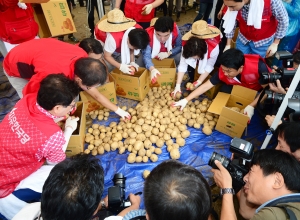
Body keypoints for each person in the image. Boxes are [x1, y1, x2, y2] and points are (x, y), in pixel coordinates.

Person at [0, 74, 80, 219]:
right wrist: (68, 130)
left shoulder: (27, 100)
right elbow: (55, 162)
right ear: (56, 108)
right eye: (71, 106)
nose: (72, 108)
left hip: (4, 154)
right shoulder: (52, 135)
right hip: (5, 180)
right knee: (60, 172)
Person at [3, 38, 130, 119]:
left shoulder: (82, 57)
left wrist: (118, 110)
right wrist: (57, 116)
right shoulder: (50, 77)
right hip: (15, 64)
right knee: (38, 107)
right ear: (79, 80)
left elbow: (95, 95)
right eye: (89, 86)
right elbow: (30, 96)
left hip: (38, 53)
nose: (91, 89)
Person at [12, 153, 141, 220]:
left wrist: (100, 204)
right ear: (93, 214)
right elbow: (119, 218)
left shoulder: (28, 212)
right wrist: (134, 206)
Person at [173, 48, 271, 120]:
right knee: (223, 90)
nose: (225, 73)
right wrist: (186, 100)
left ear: (240, 68)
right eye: (223, 70)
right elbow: (206, 86)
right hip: (238, 86)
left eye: (229, 71)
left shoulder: (258, 67)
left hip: (255, 90)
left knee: (262, 109)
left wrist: (251, 106)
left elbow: (268, 89)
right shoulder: (223, 70)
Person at [212, 149, 300, 220]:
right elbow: (246, 213)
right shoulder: (294, 205)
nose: (245, 178)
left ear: (277, 181)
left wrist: (226, 189)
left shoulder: (272, 216)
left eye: (251, 171)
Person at [221, 0, 289, 58]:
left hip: (262, 42)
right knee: (239, 61)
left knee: (255, 65)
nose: (230, 9)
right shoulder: (232, 5)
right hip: (243, 39)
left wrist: (275, 43)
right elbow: (231, 22)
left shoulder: (272, 1)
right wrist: (228, 44)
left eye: (232, 6)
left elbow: (283, 20)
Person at [171, 20, 221, 98]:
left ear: (203, 54)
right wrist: (178, 85)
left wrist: (199, 81)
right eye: (192, 57)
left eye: (196, 57)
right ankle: (192, 78)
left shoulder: (214, 48)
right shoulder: (186, 45)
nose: (194, 59)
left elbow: (209, 66)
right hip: (196, 43)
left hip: (209, 47)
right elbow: (183, 65)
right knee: (190, 67)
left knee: (216, 63)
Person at [95, 9, 150, 74]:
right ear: (128, 40)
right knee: (109, 66)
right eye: (134, 47)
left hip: (121, 41)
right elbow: (107, 56)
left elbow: (132, 47)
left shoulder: (138, 31)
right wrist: (120, 66)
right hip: (102, 38)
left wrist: (132, 61)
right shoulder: (113, 39)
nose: (134, 49)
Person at [139, 16, 182, 84]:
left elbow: (179, 46)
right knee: (139, 64)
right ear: (155, 30)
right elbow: (147, 56)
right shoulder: (148, 34)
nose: (162, 39)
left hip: (167, 53)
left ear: (170, 32)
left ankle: (173, 74)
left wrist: (168, 53)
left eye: (166, 35)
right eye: (158, 35)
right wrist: (152, 69)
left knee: (180, 57)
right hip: (152, 54)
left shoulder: (175, 31)